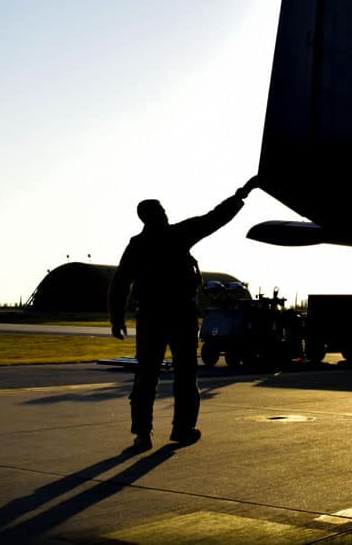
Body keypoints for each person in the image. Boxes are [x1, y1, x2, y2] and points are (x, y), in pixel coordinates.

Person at [109, 179, 258, 451]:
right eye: (162, 211)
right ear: (157, 215)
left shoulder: (137, 244)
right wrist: (242, 194)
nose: (165, 214)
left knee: (146, 375)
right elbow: (215, 218)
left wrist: (116, 317)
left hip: (150, 316)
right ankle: (182, 429)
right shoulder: (177, 234)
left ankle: (143, 434)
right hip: (180, 314)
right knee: (185, 375)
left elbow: (121, 281)